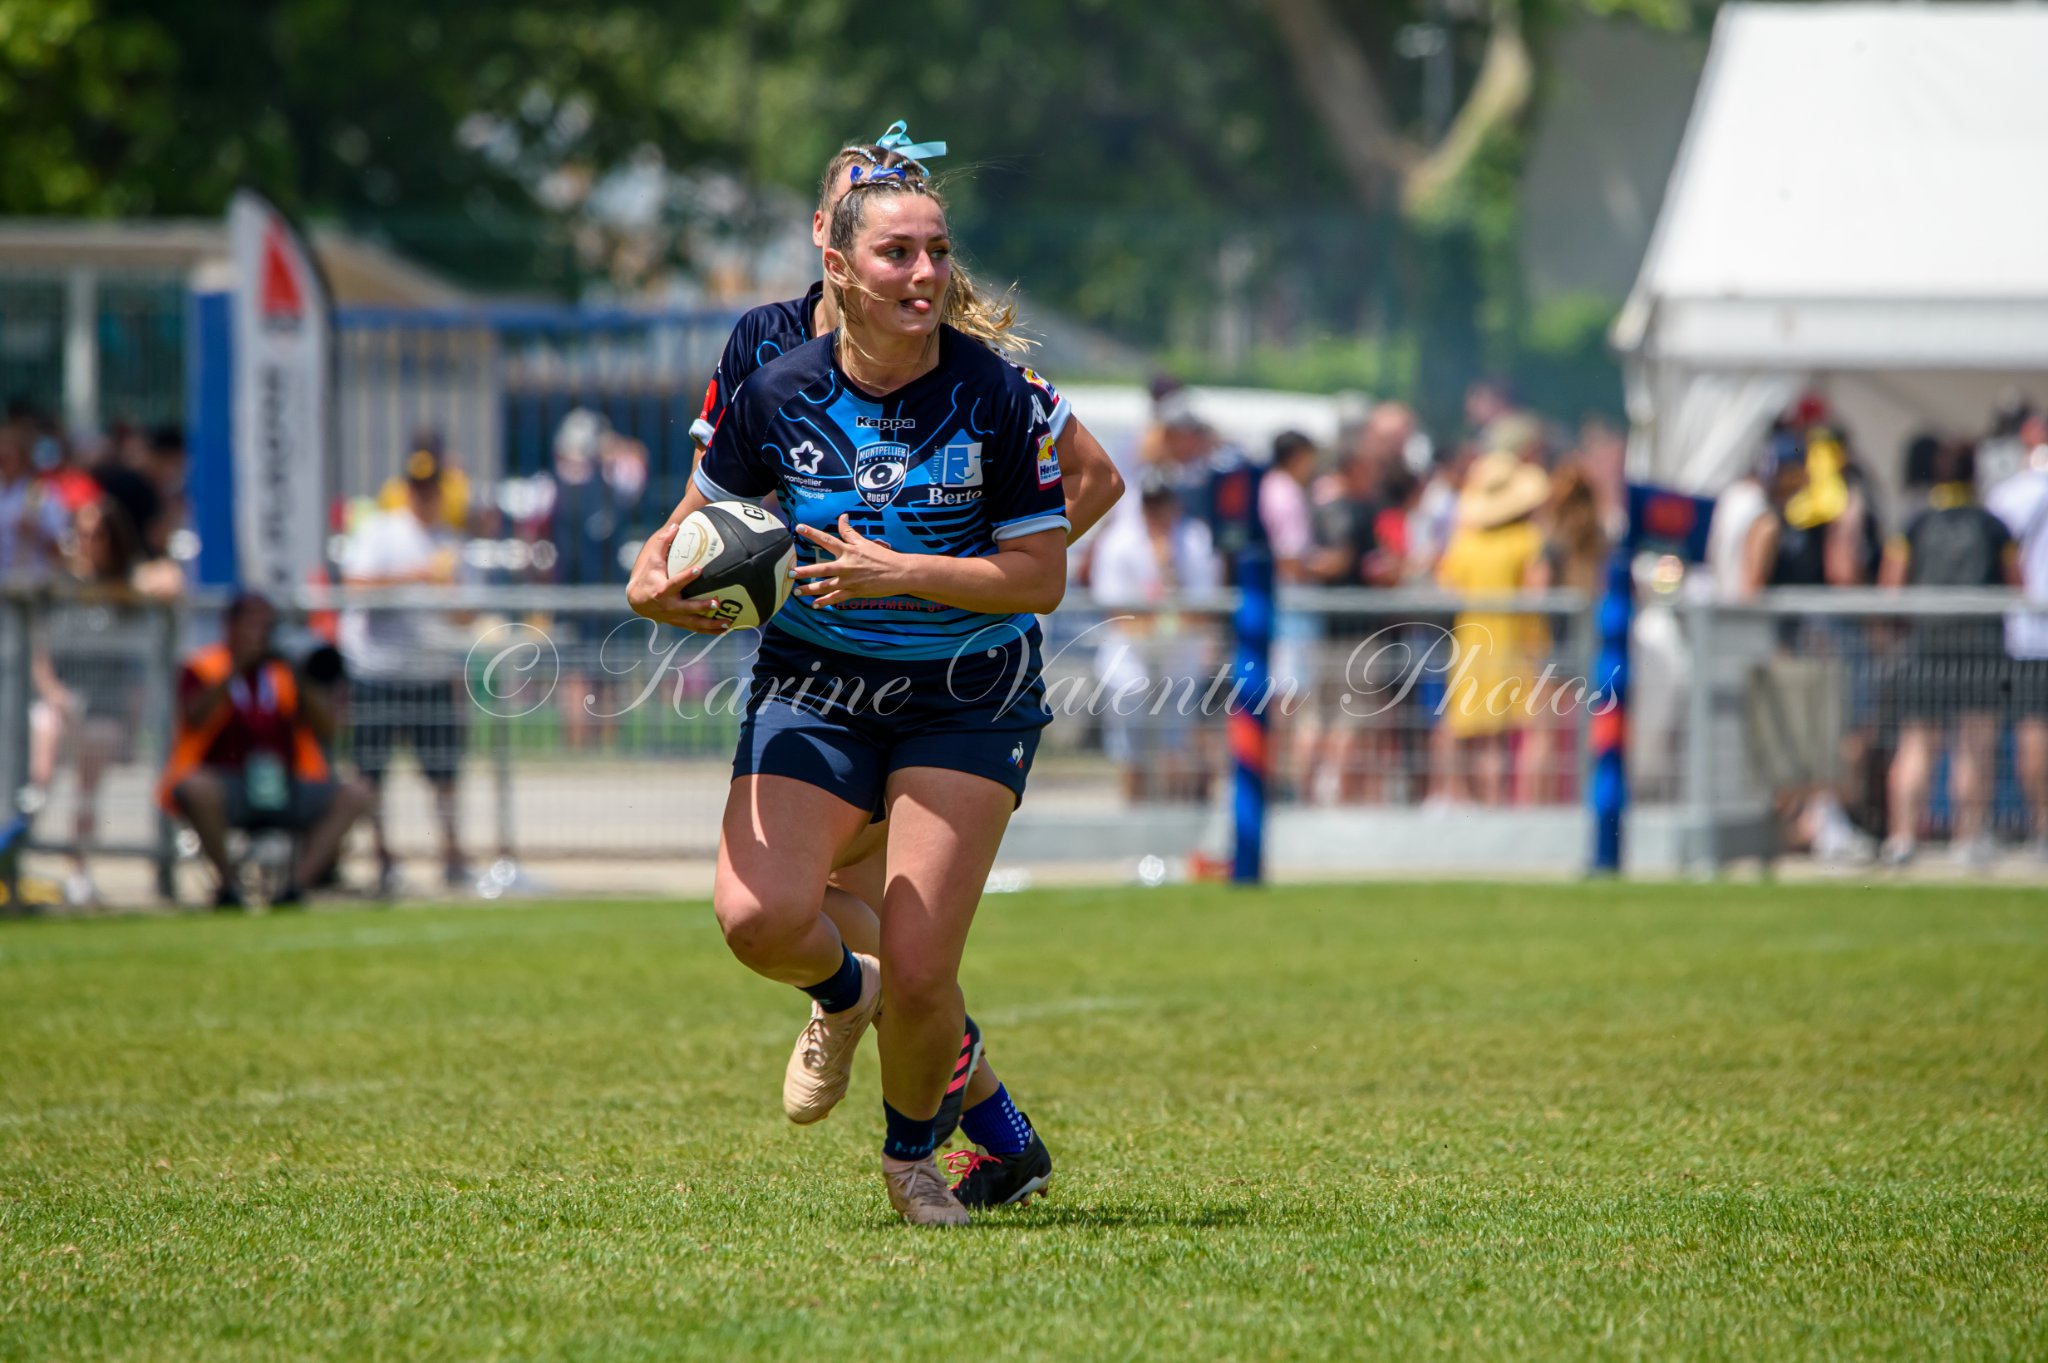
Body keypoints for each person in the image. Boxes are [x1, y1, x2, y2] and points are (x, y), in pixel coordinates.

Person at [667, 124, 1121, 1184]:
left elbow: (1090, 483)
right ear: (829, 238)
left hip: (950, 682)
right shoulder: (764, 349)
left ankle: (960, 1143)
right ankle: (940, 1084)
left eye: (931, 243)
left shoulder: (985, 378)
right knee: (828, 925)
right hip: (816, 669)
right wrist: (671, 578)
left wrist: (947, 574)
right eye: (871, 221)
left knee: (905, 947)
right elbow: (707, 514)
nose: (917, 264)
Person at [159, 593, 373, 908]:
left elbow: (329, 729)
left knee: (356, 792)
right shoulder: (204, 665)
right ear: (230, 626)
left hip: (284, 783)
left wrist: (301, 677)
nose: (260, 632)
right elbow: (195, 716)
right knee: (197, 787)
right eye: (252, 624)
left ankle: (295, 889)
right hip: (229, 782)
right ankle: (230, 887)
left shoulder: (284, 671)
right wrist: (235, 668)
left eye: (266, 625)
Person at [1878, 441, 2019, 867]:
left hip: (1926, 642)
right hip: (1980, 643)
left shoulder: (1915, 522)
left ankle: (1901, 838)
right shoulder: (1992, 525)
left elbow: (1890, 585)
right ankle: (1967, 838)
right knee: (1974, 745)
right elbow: (2018, 584)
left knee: (1917, 743)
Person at [340, 447, 472, 894]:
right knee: (372, 771)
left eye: (431, 488)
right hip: (379, 670)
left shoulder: (449, 542)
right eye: (418, 488)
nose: (425, 496)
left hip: (430, 671)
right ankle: (382, 857)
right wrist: (412, 578)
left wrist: (453, 598)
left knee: (444, 772)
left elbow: (466, 614)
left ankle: (452, 853)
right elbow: (354, 586)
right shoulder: (381, 531)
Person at [1090, 471, 1226, 802]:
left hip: (1179, 666)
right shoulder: (1118, 542)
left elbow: (1205, 607)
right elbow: (1117, 614)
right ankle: (1135, 835)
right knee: (1132, 757)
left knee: (1175, 753)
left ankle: (1170, 835)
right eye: (1151, 505)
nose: (1158, 513)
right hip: (1130, 668)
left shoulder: (1195, 540)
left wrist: (1167, 606)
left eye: (1163, 503)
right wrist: (1170, 620)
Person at [1434, 450, 1551, 806]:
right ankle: (1501, 807)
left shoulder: (1465, 544)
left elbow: (1447, 587)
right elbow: (1538, 592)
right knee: (1507, 738)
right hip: (1517, 646)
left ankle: (1471, 803)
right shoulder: (1528, 540)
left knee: (1476, 735)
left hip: (1471, 645)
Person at [1986, 409, 2048, 856]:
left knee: (2034, 731)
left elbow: (2006, 566)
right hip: (2031, 633)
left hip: (2029, 632)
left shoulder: (2010, 495)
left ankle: (2043, 827)